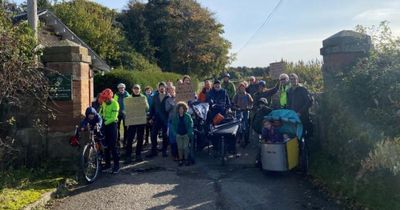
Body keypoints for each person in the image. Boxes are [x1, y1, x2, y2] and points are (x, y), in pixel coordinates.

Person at [124, 84, 149, 164]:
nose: (136, 90)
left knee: (140, 138)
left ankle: (138, 155)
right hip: (132, 121)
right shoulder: (128, 98)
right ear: (132, 89)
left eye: (137, 89)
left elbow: (147, 108)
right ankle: (128, 156)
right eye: (135, 89)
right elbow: (125, 109)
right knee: (130, 139)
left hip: (141, 120)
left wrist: (145, 104)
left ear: (140, 89)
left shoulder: (143, 97)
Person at [99, 88, 120, 174]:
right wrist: (98, 119)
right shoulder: (104, 102)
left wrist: (104, 123)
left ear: (110, 97)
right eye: (104, 99)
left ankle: (116, 165)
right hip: (104, 124)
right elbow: (101, 112)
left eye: (106, 99)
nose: (105, 101)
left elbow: (114, 117)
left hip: (112, 125)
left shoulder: (115, 104)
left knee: (112, 146)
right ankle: (107, 164)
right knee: (106, 146)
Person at [148, 82, 170, 158]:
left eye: (163, 86)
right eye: (160, 86)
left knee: (165, 136)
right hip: (156, 119)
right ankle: (154, 150)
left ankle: (164, 151)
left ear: (165, 88)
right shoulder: (155, 96)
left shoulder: (168, 97)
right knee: (153, 134)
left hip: (165, 119)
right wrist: (150, 118)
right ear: (158, 88)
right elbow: (152, 108)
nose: (161, 88)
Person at [287, 73, 313, 137]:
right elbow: (289, 104)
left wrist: (300, 112)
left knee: (305, 135)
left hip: (303, 117)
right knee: (296, 136)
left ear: (297, 80)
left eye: (294, 79)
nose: (293, 80)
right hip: (294, 117)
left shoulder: (303, 89)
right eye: (291, 79)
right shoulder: (289, 91)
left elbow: (309, 102)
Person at [170, 102, 194, 166]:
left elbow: (190, 125)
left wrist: (189, 133)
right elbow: (173, 126)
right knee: (180, 147)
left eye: (182, 109)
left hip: (186, 134)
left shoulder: (188, 116)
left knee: (185, 147)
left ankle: (186, 159)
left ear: (184, 109)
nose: (181, 110)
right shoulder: (175, 117)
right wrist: (175, 134)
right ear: (178, 109)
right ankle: (180, 159)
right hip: (178, 135)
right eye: (180, 109)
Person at [114, 83, 130, 148]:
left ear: (124, 88)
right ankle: (118, 140)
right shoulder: (116, 95)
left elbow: (130, 103)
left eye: (122, 87)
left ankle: (125, 141)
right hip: (117, 113)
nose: (121, 89)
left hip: (125, 113)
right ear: (118, 89)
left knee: (125, 128)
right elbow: (115, 103)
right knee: (117, 128)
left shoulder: (127, 94)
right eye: (120, 88)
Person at [165, 85, 178, 161]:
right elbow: (167, 109)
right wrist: (172, 105)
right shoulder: (168, 100)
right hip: (171, 120)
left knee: (178, 138)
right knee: (172, 138)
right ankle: (174, 154)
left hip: (179, 120)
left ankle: (180, 154)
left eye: (173, 90)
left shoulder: (179, 98)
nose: (172, 91)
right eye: (170, 90)